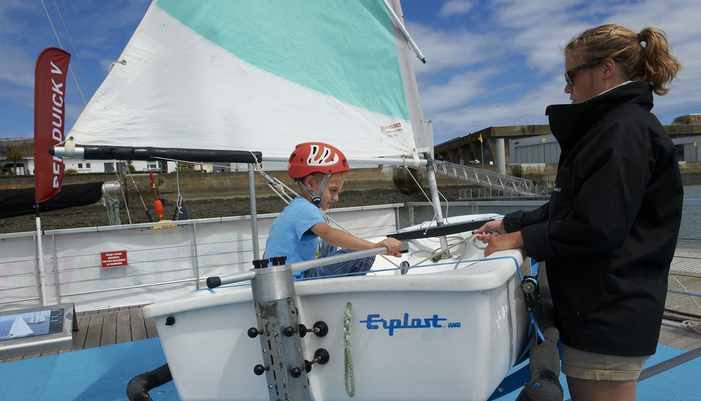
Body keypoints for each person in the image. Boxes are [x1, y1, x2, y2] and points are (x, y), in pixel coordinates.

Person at [475, 24, 682, 401]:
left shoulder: (622, 132)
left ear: (606, 69)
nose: (566, 87)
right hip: (601, 307)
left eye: (571, 75)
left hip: (609, 311)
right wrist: (510, 223)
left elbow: (598, 227)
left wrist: (520, 239)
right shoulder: (613, 128)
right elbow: (570, 207)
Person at [265, 142, 401, 279]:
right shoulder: (303, 208)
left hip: (288, 275)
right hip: (297, 279)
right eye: (333, 190)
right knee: (363, 255)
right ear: (310, 184)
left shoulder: (296, 207)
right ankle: (342, 296)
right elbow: (328, 233)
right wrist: (374, 247)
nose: (336, 198)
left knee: (327, 245)